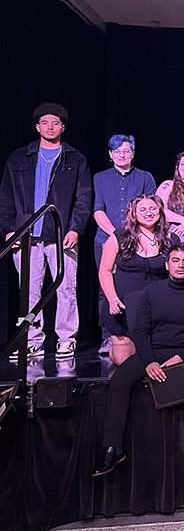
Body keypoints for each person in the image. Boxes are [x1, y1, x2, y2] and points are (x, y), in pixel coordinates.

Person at [93, 243, 184, 476]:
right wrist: (149, 361)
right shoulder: (152, 292)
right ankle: (112, 448)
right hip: (155, 350)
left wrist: (179, 357)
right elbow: (140, 332)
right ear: (167, 264)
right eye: (176, 261)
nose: (181, 265)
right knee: (119, 380)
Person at [0, 103, 91, 360]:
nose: (50, 127)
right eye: (45, 122)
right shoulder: (18, 158)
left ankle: (66, 339)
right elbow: (6, 198)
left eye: (55, 123)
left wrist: (75, 229)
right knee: (28, 291)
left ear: (63, 127)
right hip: (26, 235)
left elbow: (83, 198)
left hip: (61, 235)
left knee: (66, 289)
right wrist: (9, 230)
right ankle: (32, 340)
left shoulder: (75, 159)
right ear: (37, 126)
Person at [92, 135, 157, 354]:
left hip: (140, 241)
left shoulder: (145, 177)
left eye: (126, 151)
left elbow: (151, 208)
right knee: (106, 286)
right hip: (107, 238)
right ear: (110, 155)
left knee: (139, 285)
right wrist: (116, 236)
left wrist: (132, 236)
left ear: (133, 153)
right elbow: (98, 210)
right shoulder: (100, 178)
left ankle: (143, 334)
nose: (122, 155)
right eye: (117, 152)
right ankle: (107, 337)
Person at [98, 194, 177, 365]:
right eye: (142, 209)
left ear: (160, 212)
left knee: (153, 360)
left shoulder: (171, 240)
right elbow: (104, 271)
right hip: (124, 305)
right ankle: (116, 349)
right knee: (124, 361)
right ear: (133, 214)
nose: (148, 213)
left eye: (152, 209)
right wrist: (112, 299)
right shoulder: (119, 237)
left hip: (157, 307)